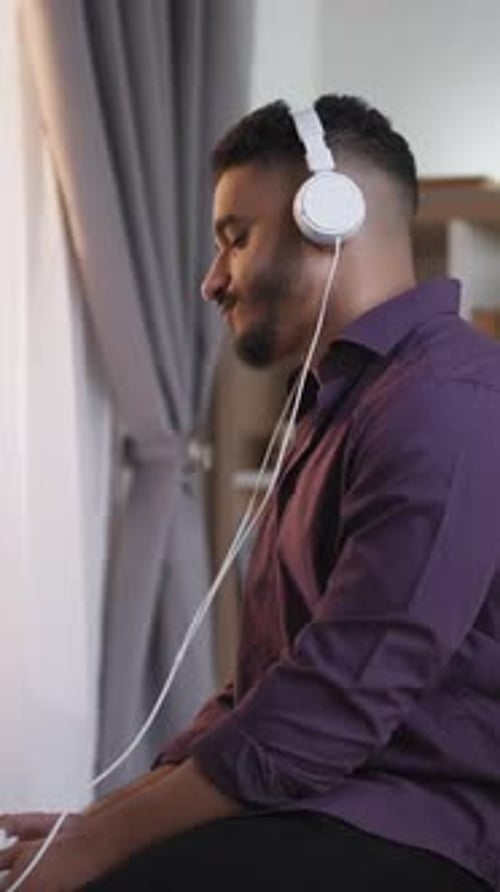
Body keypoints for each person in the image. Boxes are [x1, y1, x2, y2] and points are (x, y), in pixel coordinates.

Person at [2, 94, 500, 892]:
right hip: (322, 802)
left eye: (235, 238)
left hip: (419, 826)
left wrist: (98, 849)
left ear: (330, 213)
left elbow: (336, 699)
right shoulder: (345, 408)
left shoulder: (444, 402)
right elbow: (266, 695)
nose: (211, 282)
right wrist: (93, 825)